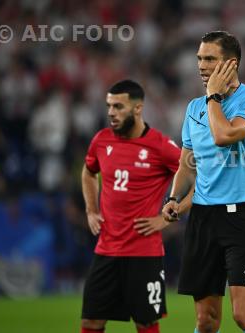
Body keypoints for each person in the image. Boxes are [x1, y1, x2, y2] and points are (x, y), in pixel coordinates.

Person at [162, 31, 245, 333]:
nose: (200, 65)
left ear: (231, 64)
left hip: (243, 216)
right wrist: (173, 198)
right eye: (199, 58)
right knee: (206, 320)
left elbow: (223, 136)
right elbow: (187, 164)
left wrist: (213, 95)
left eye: (209, 59)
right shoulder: (194, 108)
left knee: (244, 315)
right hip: (202, 216)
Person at [80, 80, 191, 333]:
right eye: (109, 106)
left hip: (144, 253)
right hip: (106, 250)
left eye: (118, 106)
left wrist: (169, 216)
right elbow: (88, 173)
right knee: (91, 322)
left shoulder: (160, 146)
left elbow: (202, 180)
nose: (111, 112)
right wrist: (90, 210)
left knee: (145, 324)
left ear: (138, 109)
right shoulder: (101, 140)